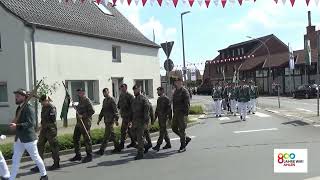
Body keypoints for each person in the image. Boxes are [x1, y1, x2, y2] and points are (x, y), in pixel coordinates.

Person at [9, 89, 48, 180]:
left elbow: (30, 123)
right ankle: (11, 178)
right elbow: (18, 120)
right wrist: (14, 123)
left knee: (35, 158)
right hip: (19, 138)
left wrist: (17, 125)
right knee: (15, 159)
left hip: (29, 138)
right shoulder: (19, 108)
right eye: (16, 96)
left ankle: (44, 175)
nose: (16, 98)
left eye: (18, 96)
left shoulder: (29, 108)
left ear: (24, 97)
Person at [31, 95, 60, 173]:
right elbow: (43, 119)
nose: (42, 104)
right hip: (44, 130)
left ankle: (56, 163)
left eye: (43, 102)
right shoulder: (44, 107)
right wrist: (41, 126)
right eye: (41, 102)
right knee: (39, 145)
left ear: (46, 100)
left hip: (51, 130)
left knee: (54, 147)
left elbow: (52, 120)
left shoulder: (52, 108)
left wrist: (43, 126)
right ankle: (39, 164)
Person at [69, 88, 95, 163]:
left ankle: (89, 155)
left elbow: (92, 111)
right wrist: (75, 107)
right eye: (78, 93)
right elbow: (80, 109)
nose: (79, 94)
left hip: (85, 123)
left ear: (83, 92)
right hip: (79, 123)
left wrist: (83, 116)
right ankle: (78, 155)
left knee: (87, 139)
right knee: (75, 138)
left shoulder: (87, 100)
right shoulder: (80, 100)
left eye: (80, 93)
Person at [95, 88, 120, 156]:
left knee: (107, 136)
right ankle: (117, 147)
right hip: (106, 120)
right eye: (103, 93)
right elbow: (102, 110)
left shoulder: (112, 100)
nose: (104, 94)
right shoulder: (104, 100)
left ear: (108, 92)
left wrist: (116, 119)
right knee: (111, 135)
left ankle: (102, 150)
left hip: (111, 120)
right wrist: (99, 119)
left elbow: (115, 110)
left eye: (106, 92)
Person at [172, 78, 191, 153]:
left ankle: (183, 146)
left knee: (182, 129)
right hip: (176, 113)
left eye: (178, 82)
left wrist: (186, 114)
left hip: (182, 114)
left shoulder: (184, 91)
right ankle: (186, 138)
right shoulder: (176, 91)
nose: (177, 83)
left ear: (181, 82)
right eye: (176, 82)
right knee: (173, 128)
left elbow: (187, 104)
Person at [131, 85, 150, 160]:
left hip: (141, 121)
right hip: (135, 121)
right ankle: (146, 144)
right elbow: (133, 111)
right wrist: (131, 121)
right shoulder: (135, 99)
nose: (134, 91)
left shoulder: (143, 98)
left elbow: (147, 111)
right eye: (134, 90)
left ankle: (140, 153)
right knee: (133, 134)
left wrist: (146, 122)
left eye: (135, 90)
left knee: (139, 137)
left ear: (139, 89)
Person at [152, 87, 172, 151]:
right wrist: (154, 118)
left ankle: (158, 145)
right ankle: (168, 144)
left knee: (162, 132)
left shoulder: (166, 99)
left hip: (164, 118)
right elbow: (157, 110)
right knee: (164, 131)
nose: (157, 92)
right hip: (160, 118)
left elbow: (169, 109)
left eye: (158, 91)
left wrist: (170, 119)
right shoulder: (159, 99)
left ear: (162, 91)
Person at [117, 84, 135, 150]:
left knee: (123, 130)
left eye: (123, 88)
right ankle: (133, 142)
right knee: (129, 130)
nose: (121, 89)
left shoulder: (130, 96)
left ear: (126, 88)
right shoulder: (121, 95)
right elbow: (119, 105)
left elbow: (133, 107)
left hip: (129, 116)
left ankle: (121, 144)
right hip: (124, 116)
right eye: (121, 88)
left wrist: (131, 118)